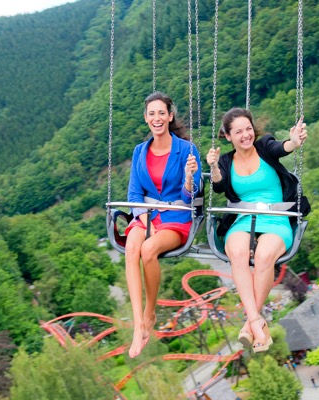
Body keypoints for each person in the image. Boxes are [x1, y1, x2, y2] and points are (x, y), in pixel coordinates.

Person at [206, 108, 309, 353]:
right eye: (238, 131)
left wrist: (293, 142)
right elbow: (219, 186)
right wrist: (214, 167)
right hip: (243, 219)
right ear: (228, 136)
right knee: (238, 254)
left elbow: (280, 148)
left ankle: (250, 324)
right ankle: (255, 322)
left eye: (248, 129)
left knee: (263, 257)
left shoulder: (264, 147)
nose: (245, 135)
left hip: (276, 218)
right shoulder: (226, 161)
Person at [124, 92, 201, 358]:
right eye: (151, 114)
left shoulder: (187, 150)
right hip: (147, 215)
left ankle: (150, 313)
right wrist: (145, 222)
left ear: (170, 116)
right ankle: (138, 326)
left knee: (148, 251)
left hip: (176, 217)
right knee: (132, 249)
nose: (157, 118)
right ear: (146, 118)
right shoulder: (139, 152)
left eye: (161, 113)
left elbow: (191, 197)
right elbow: (134, 194)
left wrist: (189, 178)